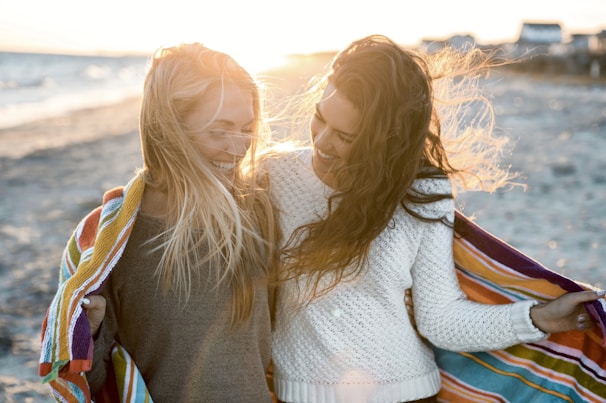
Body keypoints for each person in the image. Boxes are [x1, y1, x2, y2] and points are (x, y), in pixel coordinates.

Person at [262, 34, 605, 403]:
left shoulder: (422, 193)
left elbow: (440, 319)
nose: (322, 142)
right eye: (319, 117)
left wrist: (537, 319)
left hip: (409, 394)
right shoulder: (271, 176)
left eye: (346, 136)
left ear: (384, 140)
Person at [39, 42, 278, 402]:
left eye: (247, 128)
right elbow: (94, 382)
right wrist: (93, 330)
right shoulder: (112, 240)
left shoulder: (256, 211)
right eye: (219, 130)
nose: (239, 146)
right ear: (167, 128)